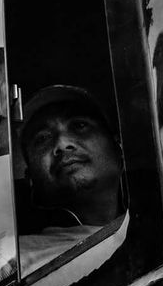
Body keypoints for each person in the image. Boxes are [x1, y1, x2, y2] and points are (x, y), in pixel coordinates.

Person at [15, 84, 127, 274]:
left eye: (79, 126)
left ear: (118, 147)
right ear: (30, 179)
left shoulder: (162, 219)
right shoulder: (13, 261)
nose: (63, 144)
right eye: (42, 139)